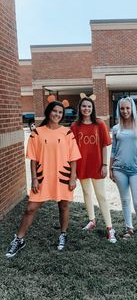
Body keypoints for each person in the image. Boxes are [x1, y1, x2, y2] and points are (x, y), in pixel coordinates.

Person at [6, 100, 81, 258]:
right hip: (42, 177)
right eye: (55, 111)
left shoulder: (67, 132)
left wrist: (73, 176)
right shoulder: (37, 133)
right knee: (30, 208)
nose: (57, 114)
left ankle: (63, 234)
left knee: (63, 207)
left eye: (60, 112)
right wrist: (34, 178)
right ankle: (19, 239)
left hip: (63, 176)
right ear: (49, 112)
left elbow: (73, 157)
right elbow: (33, 158)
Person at [71, 94, 116, 243]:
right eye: (84, 106)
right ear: (80, 108)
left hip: (97, 164)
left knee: (101, 195)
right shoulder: (75, 126)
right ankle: (92, 220)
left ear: (93, 108)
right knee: (86, 193)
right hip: (82, 164)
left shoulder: (99, 124)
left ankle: (110, 228)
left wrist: (104, 165)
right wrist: (74, 169)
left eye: (89, 106)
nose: (86, 108)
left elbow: (104, 145)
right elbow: (72, 149)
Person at [110, 97, 137, 252]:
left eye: (127, 108)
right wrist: (111, 167)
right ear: (118, 110)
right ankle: (129, 228)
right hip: (119, 168)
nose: (125, 111)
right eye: (122, 109)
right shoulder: (115, 128)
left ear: (132, 108)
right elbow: (113, 149)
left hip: (136, 170)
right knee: (125, 200)